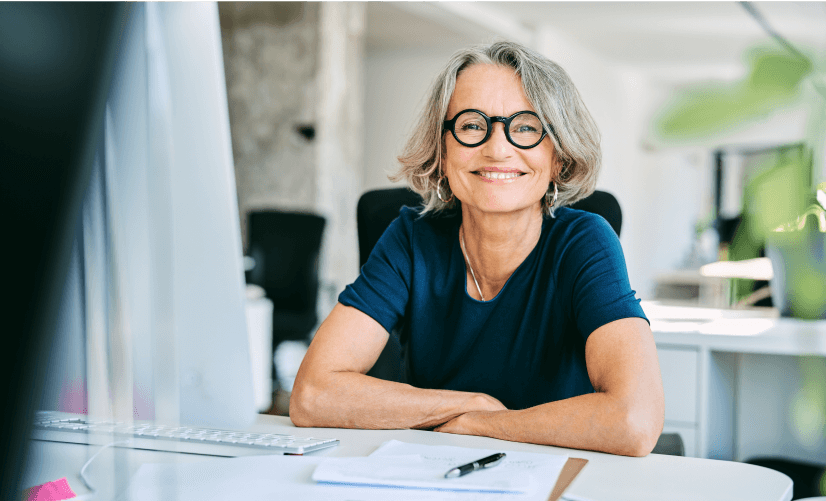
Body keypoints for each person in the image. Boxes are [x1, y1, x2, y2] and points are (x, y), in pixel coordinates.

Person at [290, 41, 664, 457]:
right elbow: (312, 394)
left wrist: (489, 425)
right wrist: (468, 404)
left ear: (558, 156)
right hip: (435, 470)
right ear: (443, 151)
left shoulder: (584, 242)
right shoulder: (411, 237)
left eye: (525, 127)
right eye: (471, 125)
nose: (497, 148)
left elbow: (635, 421)